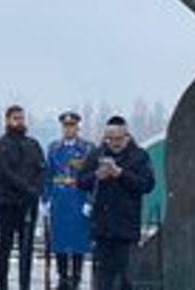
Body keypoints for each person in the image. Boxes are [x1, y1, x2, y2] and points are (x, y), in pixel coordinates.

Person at [75, 117, 151, 290]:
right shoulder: (97, 155)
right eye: (110, 139)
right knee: (103, 280)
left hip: (126, 228)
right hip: (102, 228)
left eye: (119, 139)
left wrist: (121, 174)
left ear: (127, 136)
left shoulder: (139, 156)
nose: (114, 143)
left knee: (126, 278)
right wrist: (96, 176)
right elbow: (81, 182)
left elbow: (147, 184)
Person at [0, 106, 44, 290]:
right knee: (5, 245)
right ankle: (2, 283)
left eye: (21, 118)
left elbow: (40, 169)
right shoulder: (0, 144)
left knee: (26, 247)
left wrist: (36, 189)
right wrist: (27, 188)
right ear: (7, 120)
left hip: (29, 204)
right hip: (8, 202)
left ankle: (24, 283)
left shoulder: (33, 144)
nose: (19, 122)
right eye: (15, 118)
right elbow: (4, 172)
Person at [42, 111, 92, 290]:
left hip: (78, 198)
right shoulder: (54, 148)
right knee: (60, 240)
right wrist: (46, 199)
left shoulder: (87, 148)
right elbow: (47, 175)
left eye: (72, 125)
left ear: (78, 127)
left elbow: (91, 176)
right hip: (60, 200)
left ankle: (77, 276)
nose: (69, 128)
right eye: (66, 125)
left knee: (78, 240)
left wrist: (89, 201)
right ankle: (62, 276)